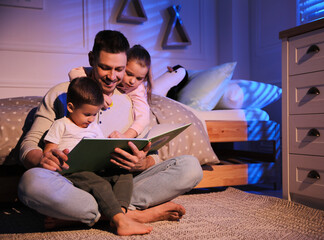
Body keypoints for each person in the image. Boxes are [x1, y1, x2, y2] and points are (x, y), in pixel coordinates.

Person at [17, 30, 203, 228]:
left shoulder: (131, 100)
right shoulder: (62, 93)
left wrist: (142, 163)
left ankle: (100, 214)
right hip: (72, 183)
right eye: (105, 68)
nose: (112, 77)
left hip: (117, 184)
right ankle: (131, 215)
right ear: (91, 59)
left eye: (120, 69)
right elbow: (28, 145)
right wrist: (42, 158)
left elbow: (152, 154)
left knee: (190, 167)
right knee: (30, 182)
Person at [43, 76, 152, 235]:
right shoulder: (61, 124)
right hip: (71, 171)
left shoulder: (93, 126)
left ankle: (119, 216)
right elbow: (48, 152)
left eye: (95, 114)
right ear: (71, 107)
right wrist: (56, 158)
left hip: (94, 169)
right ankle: (121, 221)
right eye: (87, 114)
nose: (92, 119)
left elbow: (99, 147)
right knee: (100, 185)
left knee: (123, 174)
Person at [69, 44, 153, 139]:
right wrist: (93, 92)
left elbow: (143, 118)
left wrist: (126, 136)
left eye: (139, 78)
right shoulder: (109, 76)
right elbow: (74, 72)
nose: (132, 82)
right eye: (129, 74)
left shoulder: (137, 90)